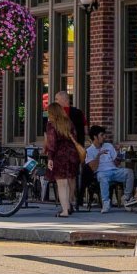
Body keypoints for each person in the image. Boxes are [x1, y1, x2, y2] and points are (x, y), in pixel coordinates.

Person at [43, 89, 85, 218]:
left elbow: (51, 142)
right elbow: (77, 135)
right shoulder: (68, 122)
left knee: (61, 184)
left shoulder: (51, 124)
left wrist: (50, 157)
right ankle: (69, 204)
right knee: (69, 181)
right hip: (72, 154)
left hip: (60, 155)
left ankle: (65, 211)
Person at [85, 126, 130, 212]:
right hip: (101, 172)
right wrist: (98, 155)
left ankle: (126, 198)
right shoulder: (89, 151)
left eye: (104, 135)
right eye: (102, 135)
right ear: (95, 137)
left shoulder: (108, 146)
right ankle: (106, 203)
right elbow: (93, 168)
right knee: (103, 177)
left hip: (114, 170)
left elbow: (116, 163)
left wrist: (118, 152)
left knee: (129, 172)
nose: (104, 137)